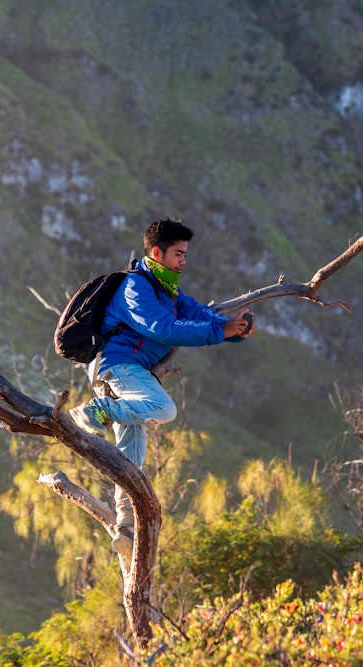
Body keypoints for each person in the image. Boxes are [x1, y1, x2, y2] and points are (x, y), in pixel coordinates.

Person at [69, 218, 254, 558]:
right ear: (157, 252)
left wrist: (233, 329)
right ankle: (95, 410)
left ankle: (125, 527)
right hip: (116, 366)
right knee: (165, 410)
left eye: (185, 254)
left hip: (132, 370)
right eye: (178, 254)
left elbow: (197, 313)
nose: (184, 261)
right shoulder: (135, 288)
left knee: (129, 458)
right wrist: (219, 332)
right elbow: (163, 328)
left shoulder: (167, 290)